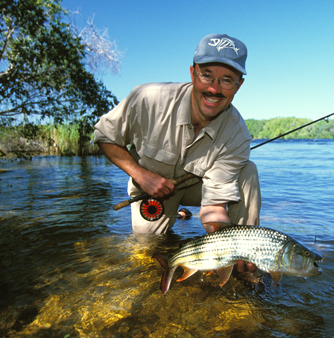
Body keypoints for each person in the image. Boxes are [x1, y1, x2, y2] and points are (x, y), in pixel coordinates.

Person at [94, 34, 261, 247]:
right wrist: (141, 175)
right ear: (192, 73)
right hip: (149, 188)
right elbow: (104, 135)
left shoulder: (237, 134)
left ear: (239, 86)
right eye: (206, 75)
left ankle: (244, 257)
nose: (214, 89)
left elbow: (214, 205)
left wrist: (227, 245)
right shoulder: (148, 99)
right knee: (149, 247)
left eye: (227, 80)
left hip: (199, 189)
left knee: (248, 171)